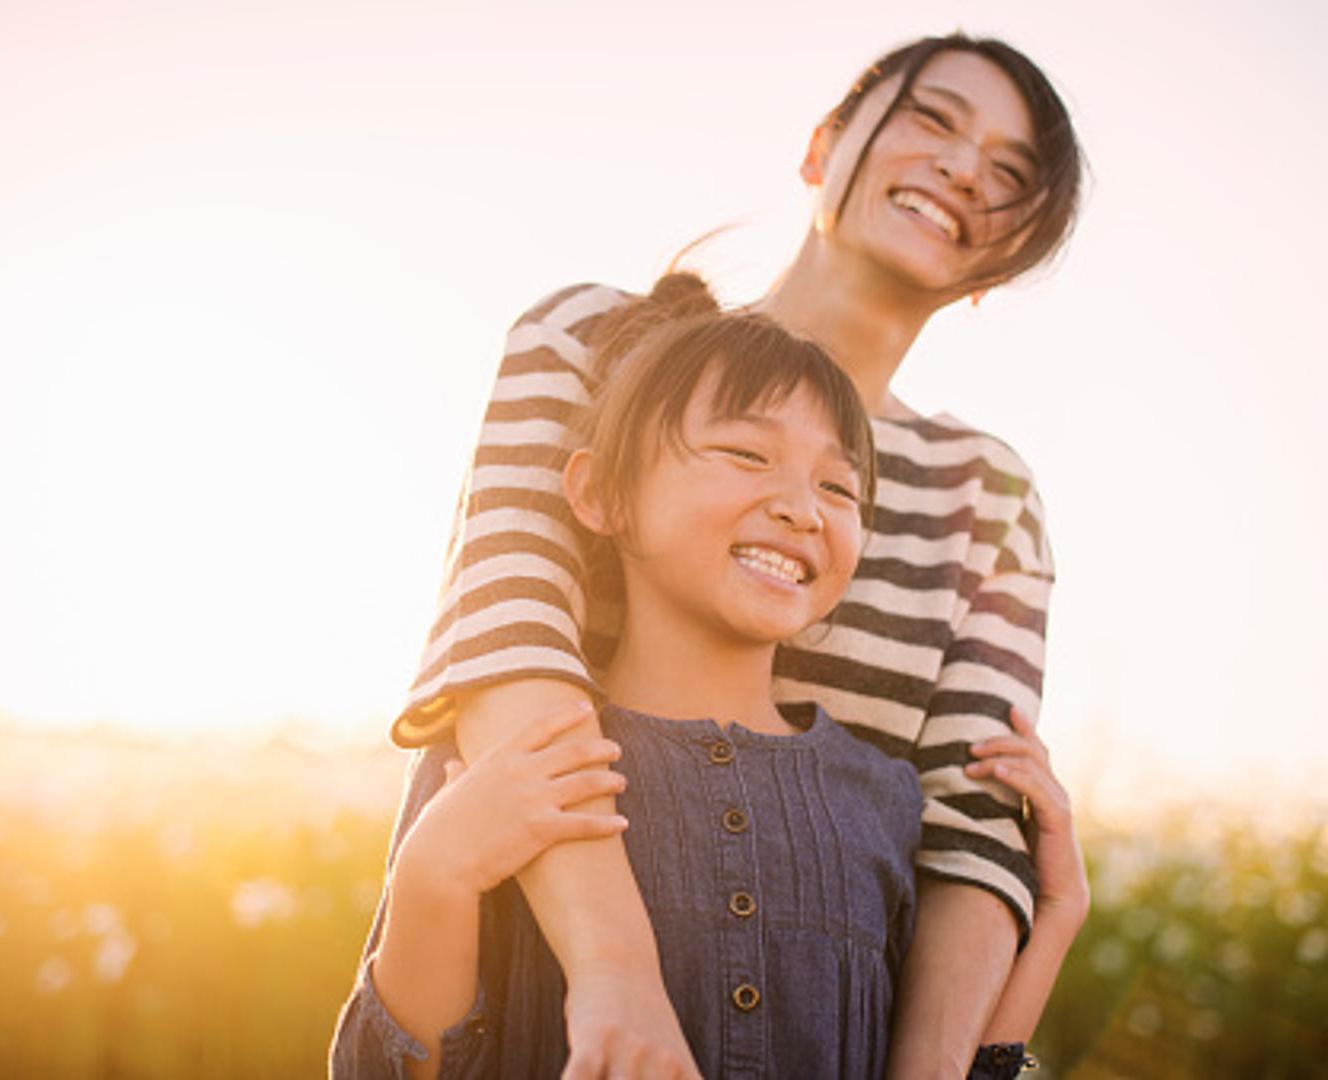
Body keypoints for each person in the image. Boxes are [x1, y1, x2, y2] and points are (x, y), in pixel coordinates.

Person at [393, 32, 1085, 1077]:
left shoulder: (985, 492)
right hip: (535, 1011)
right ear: (822, 146)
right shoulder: (590, 341)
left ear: (1003, 256)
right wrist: (613, 972)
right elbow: (506, 637)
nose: (961, 170)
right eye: (933, 121)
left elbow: (969, 829)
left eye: (1006, 177)